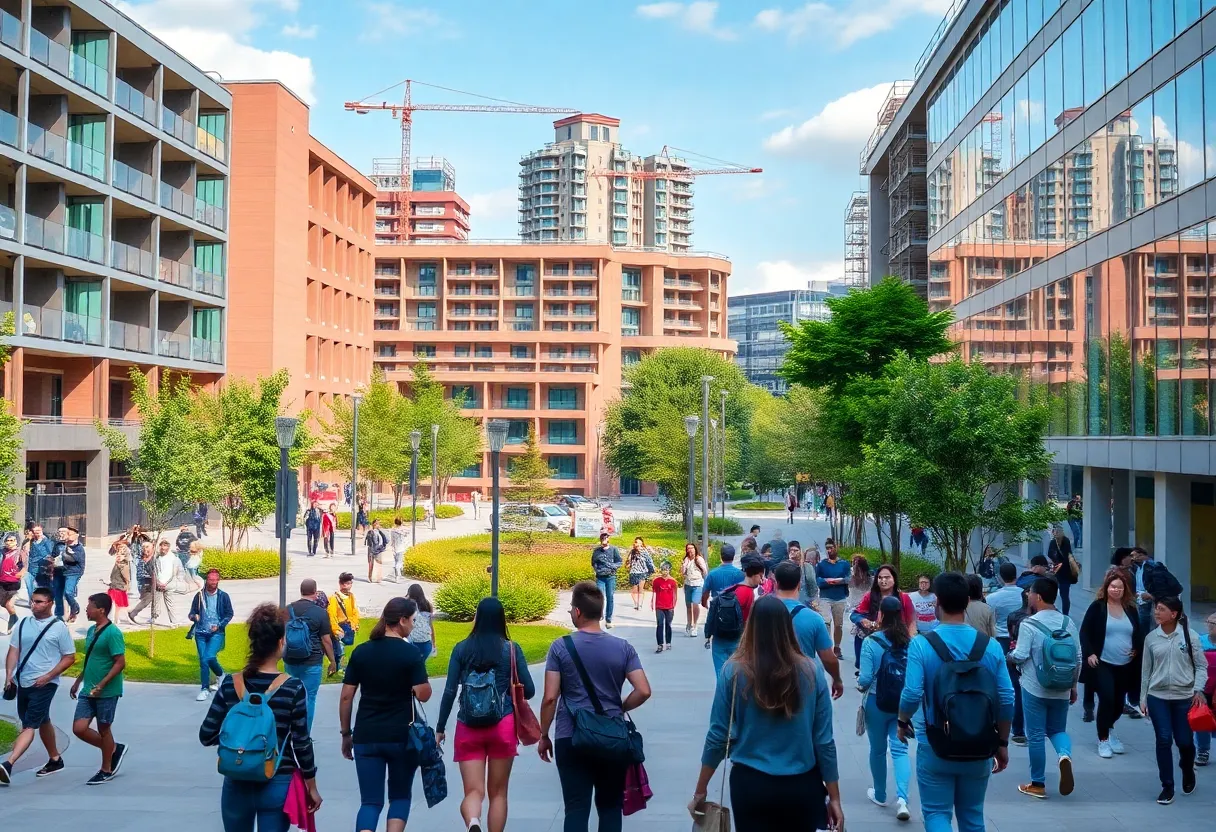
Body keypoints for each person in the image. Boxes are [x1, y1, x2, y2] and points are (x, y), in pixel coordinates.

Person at [692, 595, 843, 832]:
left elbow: (718, 735)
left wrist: (701, 789)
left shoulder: (733, 670)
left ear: (750, 625)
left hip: (750, 785)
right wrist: (834, 797)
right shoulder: (812, 672)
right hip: (802, 784)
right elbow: (824, 741)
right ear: (787, 626)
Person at [897, 572, 1015, 831]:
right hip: (980, 744)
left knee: (937, 813)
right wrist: (1002, 742)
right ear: (967, 603)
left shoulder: (921, 645)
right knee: (972, 816)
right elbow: (1007, 697)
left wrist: (902, 721)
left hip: (936, 742)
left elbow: (912, 693)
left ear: (937, 602)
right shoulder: (991, 646)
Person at [538, 581, 652, 832]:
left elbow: (549, 698)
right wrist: (619, 707)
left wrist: (544, 735)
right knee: (610, 807)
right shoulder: (623, 648)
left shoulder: (561, 647)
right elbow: (643, 690)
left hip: (571, 736)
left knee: (576, 808)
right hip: (612, 737)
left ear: (577, 612)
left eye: (571, 608)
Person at [200, 603, 321, 830]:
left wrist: (239, 738)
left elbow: (206, 735)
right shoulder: (293, 687)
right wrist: (311, 785)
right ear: (280, 642)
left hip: (237, 778)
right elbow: (302, 743)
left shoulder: (230, 684)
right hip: (277, 778)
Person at [436, 597, 535, 832]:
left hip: (468, 726)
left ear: (477, 618)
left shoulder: (461, 648)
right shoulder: (510, 649)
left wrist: (440, 727)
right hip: (502, 725)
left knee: (473, 791)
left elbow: (450, 691)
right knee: (498, 794)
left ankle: (473, 822)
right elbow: (529, 690)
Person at [339, 596, 431, 832]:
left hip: (367, 734)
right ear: (401, 621)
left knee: (370, 801)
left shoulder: (362, 652)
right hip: (401, 736)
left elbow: (347, 696)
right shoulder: (410, 654)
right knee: (399, 797)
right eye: (411, 620)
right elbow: (423, 694)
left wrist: (346, 733)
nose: (412, 625)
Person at [1010, 577, 1080, 799]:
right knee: (1058, 730)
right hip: (1062, 686)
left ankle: (1038, 784)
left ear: (1038, 597)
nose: (1028, 595)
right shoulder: (1068, 622)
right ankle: (1064, 755)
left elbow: (1020, 655)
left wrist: (1010, 656)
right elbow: (1077, 656)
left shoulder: (1029, 624)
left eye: (1030, 592)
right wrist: (1073, 685)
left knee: (1036, 734)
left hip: (1034, 686)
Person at [0, 587, 76, 784]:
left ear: (50, 603)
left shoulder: (58, 628)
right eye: (33, 601)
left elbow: (69, 657)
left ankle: (8, 763)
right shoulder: (24, 623)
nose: (34, 605)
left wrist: (49, 676)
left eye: (40, 601)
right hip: (23, 681)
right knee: (43, 720)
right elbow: (14, 650)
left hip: (45, 684)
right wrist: (9, 675)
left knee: (29, 726)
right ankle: (55, 759)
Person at [1140, 595, 1207, 804]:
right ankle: (1167, 787)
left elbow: (1201, 666)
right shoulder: (1151, 638)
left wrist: (1198, 689)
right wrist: (1143, 697)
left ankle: (1187, 770)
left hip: (1184, 697)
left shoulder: (1190, 636)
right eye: (1156, 609)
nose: (1156, 612)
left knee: (1185, 742)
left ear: (1174, 614)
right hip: (1157, 696)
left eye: (1161, 609)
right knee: (1163, 739)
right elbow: (1146, 670)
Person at [859, 595, 913, 821]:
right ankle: (902, 800)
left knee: (878, 750)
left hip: (876, 702)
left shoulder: (871, 642)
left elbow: (864, 679)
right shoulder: (910, 642)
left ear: (880, 614)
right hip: (902, 703)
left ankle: (880, 794)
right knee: (900, 750)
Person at [1079, 568, 1143, 758]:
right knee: (1107, 698)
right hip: (1102, 662)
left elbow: (1138, 631)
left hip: (1125, 664)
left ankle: (1110, 727)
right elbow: (1084, 632)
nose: (1116, 590)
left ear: (1126, 590)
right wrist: (1089, 653)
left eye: (1120, 588)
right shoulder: (1098, 607)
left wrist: (1136, 648)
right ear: (1107, 588)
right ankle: (1103, 739)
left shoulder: (1130, 609)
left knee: (1117, 704)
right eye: (1113, 587)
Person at [70, 593, 129, 784]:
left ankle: (106, 769)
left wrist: (102, 684)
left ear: (101, 610)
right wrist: (78, 680)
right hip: (89, 689)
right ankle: (112, 748)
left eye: (90, 606)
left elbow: (120, 663)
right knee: (79, 728)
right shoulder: (91, 631)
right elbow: (91, 659)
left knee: (104, 728)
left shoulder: (113, 633)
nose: (86, 610)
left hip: (107, 691)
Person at [772, 561, 845, 699]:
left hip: (768, 681)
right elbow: (829, 658)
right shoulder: (813, 618)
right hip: (803, 684)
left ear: (776, 583)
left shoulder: (761, 613)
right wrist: (836, 679)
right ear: (799, 585)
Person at [286, 579, 337, 731]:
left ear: (301, 591)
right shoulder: (320, 613)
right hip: (312, 661)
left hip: (291, 659)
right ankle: (304, 734)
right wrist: (332, 661)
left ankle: (289, 730)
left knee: (291, 696)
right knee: (309, 697)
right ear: (315, 592)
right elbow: (326, 640)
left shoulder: (288, 610)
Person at [189, 568, 234, 701]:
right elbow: (191, 612)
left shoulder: (223, 596)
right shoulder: (199, 596)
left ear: (218, 581)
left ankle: (221, 675)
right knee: (203, 660)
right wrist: (194, 617)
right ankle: (204, 689)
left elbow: (229, 613)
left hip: (216, 632)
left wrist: (219, 625)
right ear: (206, 580)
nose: (213, 582)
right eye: (210, 579)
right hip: (201, 633)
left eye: (215, 580)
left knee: (209, 656)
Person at [701, 543, 745, 676]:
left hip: (718, 623)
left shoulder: (712, 574)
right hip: (736, 623)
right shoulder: (740, 575)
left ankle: (722, 689)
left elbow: (704, 596)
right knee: (736, 667)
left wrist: (707, 606)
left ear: (721, 557)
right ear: (733, 556)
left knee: (720, 668)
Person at [815, 538, 852, 658]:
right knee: (826, 623)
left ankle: (837, 646)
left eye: (831, 548)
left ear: (837, 547)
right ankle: (827, 647)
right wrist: (826, 581)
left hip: (840, 597)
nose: (829, 550)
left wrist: (839, 581)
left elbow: (848, 579)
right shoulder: (821, 565)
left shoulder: (844, 564)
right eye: (827, 548)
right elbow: (817, 580)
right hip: (825, 597)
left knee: (838, 625)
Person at [327, 573, 359, 674]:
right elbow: (332, 616)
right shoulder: (334, 598)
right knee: (339, 650)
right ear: (341, 584)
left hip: (348, 626)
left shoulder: (351, 596)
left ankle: (339, 668)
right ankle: (337, 669)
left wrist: (355, 623)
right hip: (339, 627)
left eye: (350, 583)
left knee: (343, 648)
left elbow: (355, 612)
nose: (349, 586)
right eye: (347, 583)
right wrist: (336, 630)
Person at [590, 532, 622, 629]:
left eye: (606, 538)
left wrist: (613, 567)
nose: (604, 540)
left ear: (608, 539)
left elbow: (619, 561)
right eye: (602, 539)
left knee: (610, 597)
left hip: (610, 577)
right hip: (600, 577)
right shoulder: (597, 551)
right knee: (599, 597)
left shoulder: (613, 549)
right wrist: (596, 570)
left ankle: (608, 620)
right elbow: (593, 562)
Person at [52, 525, 85, 623]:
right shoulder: (59, 545)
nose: (66, 535)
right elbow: (53, 555)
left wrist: (67, 553)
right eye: (66, 534)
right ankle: (59, 616)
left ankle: (75, 607)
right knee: (58, 594)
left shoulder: (78, 548)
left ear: (76, 536)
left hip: (73, 572)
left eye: (69, 534)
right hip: (59, 571)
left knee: (68, 592)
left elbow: (73, 559)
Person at [1196, 612, 1216, 766]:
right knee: (1202, 719)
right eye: (1210, 622)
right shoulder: (1199, 641)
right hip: (1203, 687)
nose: (1212, 626)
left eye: (1214, 623)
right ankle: (1203, 750)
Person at [989, 563, 1023, 648]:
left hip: (1000, 638)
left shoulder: (992, 598)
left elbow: (990, 620)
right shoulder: (1026, 594)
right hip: (1021, 636)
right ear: (1016, 575)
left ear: (1000, 577)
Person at [150, 538, 184, 625]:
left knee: (170, 603)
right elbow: (154, 571)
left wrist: (170, 582)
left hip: (169, 584)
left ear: (168, 548)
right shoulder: (157, 558)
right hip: (158, 583)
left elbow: (178, 571)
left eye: (165, 547)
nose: (163, 549)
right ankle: (154, 617)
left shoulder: (174, 559)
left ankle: (174, 621)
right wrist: (158, 582)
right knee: (155, 601)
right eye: (161, 547)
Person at [680, 541, 708, 637]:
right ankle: (689, 623)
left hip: (697, 584)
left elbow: (705, 571)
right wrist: (684, 564)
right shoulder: (686, 560)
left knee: (695, 604)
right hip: (688, 584)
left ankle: (694, 625)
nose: (690, 550)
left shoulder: (699, 559)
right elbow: (682, 573)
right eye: (688, 548)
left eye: (691, 548)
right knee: (688, 606)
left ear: (695, 549)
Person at [1046, 525, 1076, 615]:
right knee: (1064, 595)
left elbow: (1050, 554)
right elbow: (1068, 555)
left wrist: (1055, 561)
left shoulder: (1056, 542)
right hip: (1064, 572)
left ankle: (1057, 612)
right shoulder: (1064, 541)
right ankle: (1065, 614)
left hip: (1059, 572)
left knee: (1057, 594)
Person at [23, 524, 53, 606]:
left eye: (38, 531)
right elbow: (25, 550)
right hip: (31, 566)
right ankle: (32, 601)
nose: (36, 533)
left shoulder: (46, 541)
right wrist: (28, 539)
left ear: (42, 531)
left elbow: (51, 553)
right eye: (34, 532)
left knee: (42, 586)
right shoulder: (32, 540)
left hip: (42, 567)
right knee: (29, 583)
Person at [1, 532, 24, 634]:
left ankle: (12, 621)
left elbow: (25, 566)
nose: (9, 543)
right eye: (7, 540)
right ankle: (14, 617)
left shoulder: (20, 553)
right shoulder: (2, 552)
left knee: (9, 604)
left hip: (13, 583)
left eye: (12, 540)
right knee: (3, 604)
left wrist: (18, 575)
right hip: (1, 582)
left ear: (16, 542)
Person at [652, 561, 678, 653]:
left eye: (666, 570)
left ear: (669, 570)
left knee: (668, 624)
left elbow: (675, 594)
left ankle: (668, 642)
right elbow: (654, 593)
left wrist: (673, 605)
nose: (664, 572)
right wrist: (652, 603)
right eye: (663, 570)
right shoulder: (656, 581)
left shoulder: (673, 581)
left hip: (669, 606)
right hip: (659, 606)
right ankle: (660, 644)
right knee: (659, 624)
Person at [406, 583, 436, 662]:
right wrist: (433, 643)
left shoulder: (409, 605)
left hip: (412, 641)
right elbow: (430, 625)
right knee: (420, 665)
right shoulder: (428, 605)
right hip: (426, 641)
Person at [625, 537, 655, 611]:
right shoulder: (632, 552)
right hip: (633, 572)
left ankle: (640, 604)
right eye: (636, 542)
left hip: (642, 572)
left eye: (638, 542)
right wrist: (628, 564)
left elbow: (649, 561)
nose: (637, 543)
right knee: (634, 590)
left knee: (641, 589)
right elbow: (628, 561)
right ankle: (636, 603)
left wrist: (652, 570)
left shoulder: (645, 552)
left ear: (641, 543)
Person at [789, 543, 819, 610]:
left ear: (801, 552)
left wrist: (813, 600)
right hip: (790, 601)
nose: (793, 552)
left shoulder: (807, 567)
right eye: (791, 550)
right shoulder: (785, 566)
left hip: (804, 601)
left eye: (795, 550)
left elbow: (812, 583)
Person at [365, 519, 388, 584]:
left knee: (371, 564)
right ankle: (377, 578)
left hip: (371, 550)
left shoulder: (371, 532)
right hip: (377, 550)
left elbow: (367, 542)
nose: (379, 525)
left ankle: (371, 577)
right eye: (378, 524)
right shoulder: (376, 532)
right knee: (378, 564)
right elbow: (379, 541)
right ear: (375, 525)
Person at [389, 517, 409, 582]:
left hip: (395, 548)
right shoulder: (403, 530)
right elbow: (407, 533)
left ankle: (396, 576)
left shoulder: (393, 530)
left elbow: (392, 540)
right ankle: (398, 576)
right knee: (399, 562)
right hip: (401, 547)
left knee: (396, 562)